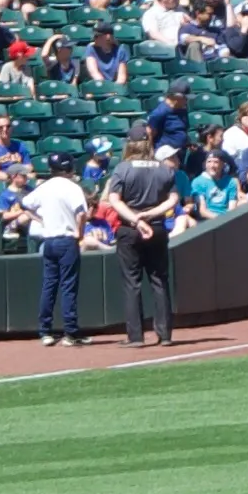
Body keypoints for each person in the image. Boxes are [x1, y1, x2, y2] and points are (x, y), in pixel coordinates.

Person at [102, 140, 181, 346]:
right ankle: (165, 336)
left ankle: (135, 336)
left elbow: (114, 199)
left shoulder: (123, 168)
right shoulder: (163, 168)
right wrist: (151, 214)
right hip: (156, 227)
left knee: (132, 282)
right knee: (159, 281)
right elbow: (173, 199)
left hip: (129, 228)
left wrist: (136, 219)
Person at [18, 155, 91, 346]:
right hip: (67, 240)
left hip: (49, 240)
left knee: (49, 285)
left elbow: (24, 204)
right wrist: (80, 233)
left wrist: (39, 220)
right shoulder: (72, 187)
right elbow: (82, 214)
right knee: (68, 286)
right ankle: (70, 333)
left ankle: (45, 332)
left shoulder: (45, 186)